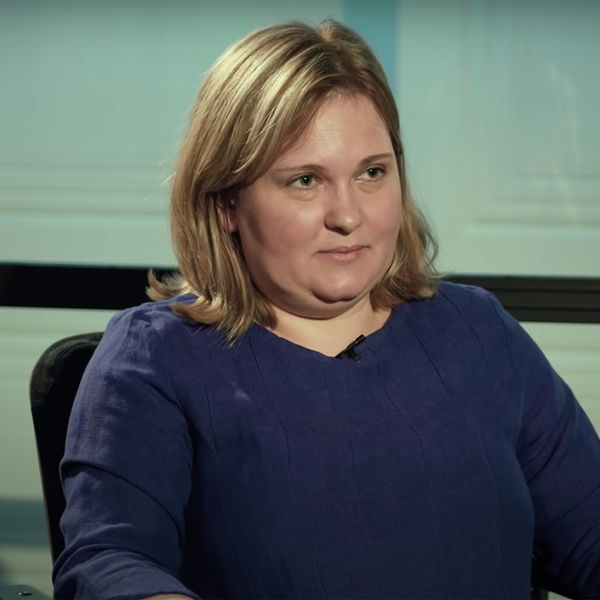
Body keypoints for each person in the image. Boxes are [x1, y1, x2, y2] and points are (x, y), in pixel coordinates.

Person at [53, 19, 600, 600]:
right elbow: (110, 562)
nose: (348, 215)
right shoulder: (156, 359)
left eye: (372, 172)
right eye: (306, 180)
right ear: (226, 204)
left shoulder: (477, 331)